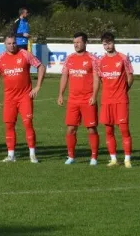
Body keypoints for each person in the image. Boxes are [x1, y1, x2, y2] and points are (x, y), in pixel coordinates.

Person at [0, 33, 46, 163]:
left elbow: (41, 67)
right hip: (9, 98)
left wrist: (38, 86)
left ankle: (32, 154)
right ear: (4, 44)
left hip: (25, 97)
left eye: (14, 43)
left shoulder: (25, 54)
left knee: (27, 123)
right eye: (9, 43)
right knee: (9, 125)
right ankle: (11, 155)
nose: (12, 46)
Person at [57, 32, 100, 165]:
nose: (76, 45)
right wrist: (60, 94)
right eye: (74, 42)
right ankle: (71, 156)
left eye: (78, 42)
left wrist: (94, 95)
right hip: (73, 100)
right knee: (70, 128)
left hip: (88, 99)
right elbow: (64, 76)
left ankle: (94, 157)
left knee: (91, 128)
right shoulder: (69, 58)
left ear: (85, 43)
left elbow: (96, 78)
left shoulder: (93, 59)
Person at [96, 32, 134, 168]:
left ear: (114, 42)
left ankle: (127, 159)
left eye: (110, 43)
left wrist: (125, 90)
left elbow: (130, 76)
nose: (107, 46)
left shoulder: (123, 58)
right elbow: (100, 79)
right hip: (106, 100)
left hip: (121, 100)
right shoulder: (100, 61)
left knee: (124, 129)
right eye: (105, 44)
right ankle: (113, 159)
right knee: (108, 130)